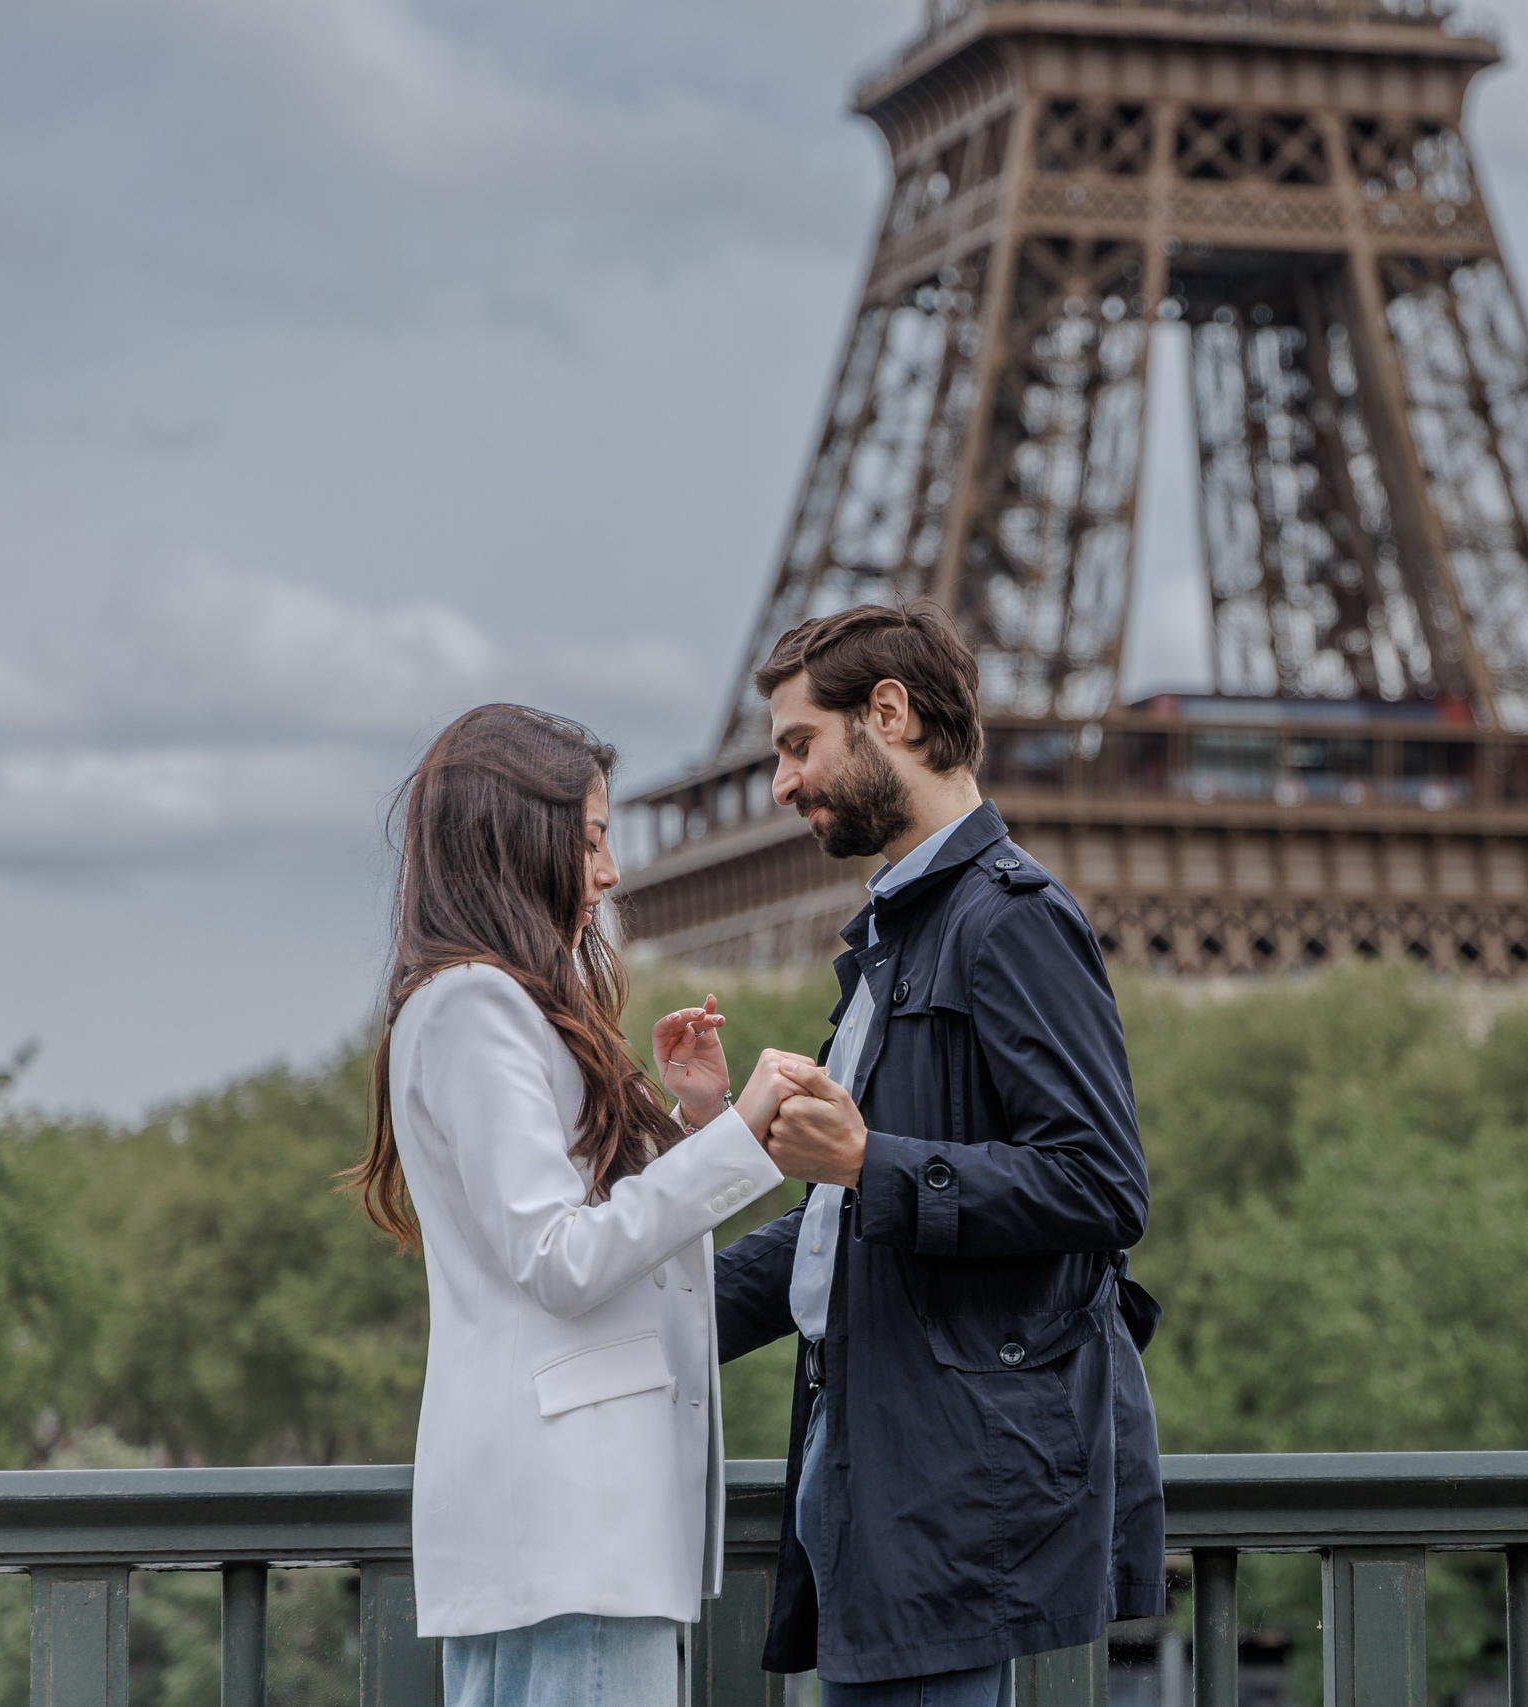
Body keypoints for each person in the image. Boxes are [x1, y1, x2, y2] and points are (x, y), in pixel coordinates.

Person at [715, 604, 1166, 1701]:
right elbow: (839, 1223)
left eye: (796, 744)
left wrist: (873, 1160)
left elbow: (1101, 1184)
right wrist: (642, 1292)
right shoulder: (898, 935)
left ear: (889, 713)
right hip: (884, 1455)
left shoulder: (1007, 921)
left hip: (945, 1478)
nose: (781, 782)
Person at [348, 702, 823, 1707]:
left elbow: (575, 1237)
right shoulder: (480, 1007)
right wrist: (739, 1135)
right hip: (575, 1520)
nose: (609, 874)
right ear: (522, 837)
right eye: (595, 839)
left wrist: (691, 1126)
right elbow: (562, 1260)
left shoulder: (481, 1004)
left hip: (553, 1528)